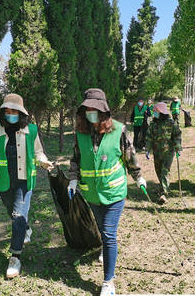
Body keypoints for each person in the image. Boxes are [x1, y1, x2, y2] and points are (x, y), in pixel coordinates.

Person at [68, 88, 146, 296]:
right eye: (87, 109)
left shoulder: (119, 130)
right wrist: (73, 180)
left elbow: (130, 156)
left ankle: (108, 282)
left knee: (109, 234)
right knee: (103, 231)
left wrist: (138, 177)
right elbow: (76, 158)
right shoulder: (80, 133)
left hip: (114, 194)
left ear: (103, 111)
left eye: (95, 109)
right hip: (92, 194)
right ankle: (105, 248)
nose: (90, 112)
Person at [0, 93, 53, 278]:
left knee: (17, 216)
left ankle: (15, 257)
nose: (10, 114)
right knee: (12, 213)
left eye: (14, 111)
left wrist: (44, 162)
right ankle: (26, 228)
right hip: (5, 181)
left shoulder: (31, 130)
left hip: (24, 181)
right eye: (6, 111)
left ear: (21, 113)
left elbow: (39, 152)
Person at [145, 102, 182, 204]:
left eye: (155, 111)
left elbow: (177, 135)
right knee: (158, 171)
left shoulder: (171, 123)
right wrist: (147, 149)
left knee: (165, 172)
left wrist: (178, 148)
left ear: (161, 112)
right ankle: (163, 187)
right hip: (157, 152)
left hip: (168, 152)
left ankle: (164, 193)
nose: (154, 113)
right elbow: (149, 137)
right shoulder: (153, 124)